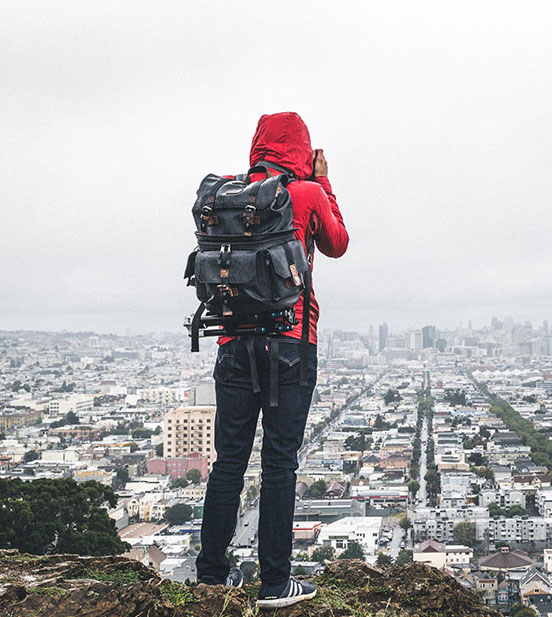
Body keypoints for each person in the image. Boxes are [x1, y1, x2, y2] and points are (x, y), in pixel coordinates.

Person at [196, 112, 349, 608]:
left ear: (257, 147)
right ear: (302, 150)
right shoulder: (303, 194)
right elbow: (338, 244)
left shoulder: (231, 198)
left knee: (229, 463)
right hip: (290, 343)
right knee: (279, 463)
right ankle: (276, 584)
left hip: (231, 344)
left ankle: (213, 575)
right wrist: (323, 180)